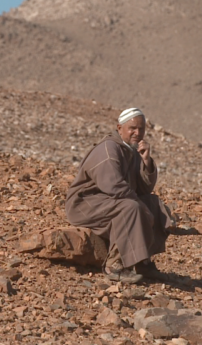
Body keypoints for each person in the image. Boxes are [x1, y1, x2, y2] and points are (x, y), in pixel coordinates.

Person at [65, 107, 174, 283]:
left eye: (141, 129)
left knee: (152, 203)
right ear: (119, 128)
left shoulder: (132, 150)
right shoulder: (109, 150)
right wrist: (141, 209)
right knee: (131, 207)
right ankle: (114, 265)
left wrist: (146, 161)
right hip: (85, 205)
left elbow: (144, 189)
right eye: (132, 128)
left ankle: (142, 263)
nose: (137, 133)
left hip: (108, 202)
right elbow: (114, 187)